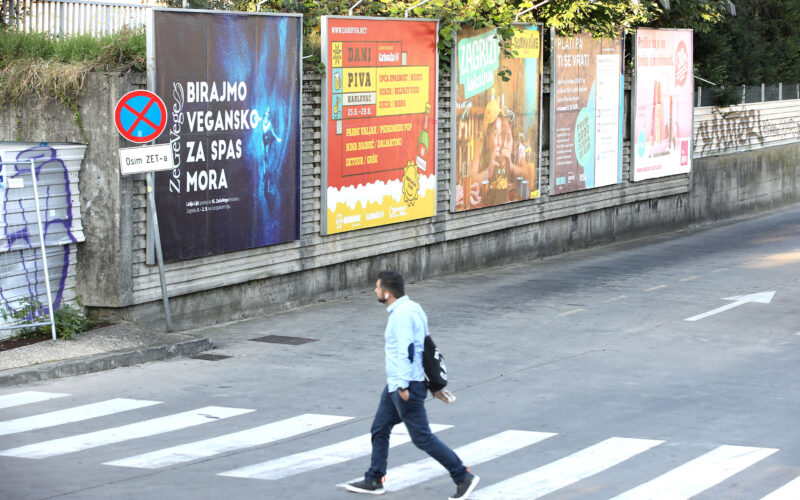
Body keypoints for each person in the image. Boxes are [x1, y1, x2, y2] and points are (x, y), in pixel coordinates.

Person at [345, 270, 479, 499]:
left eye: (377, 288)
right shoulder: (413, 308)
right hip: (397, 384)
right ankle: (374, 478)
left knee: (422, 437)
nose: (375, 291)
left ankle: (462, 476)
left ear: (387, 293)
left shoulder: (402, 316)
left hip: (405, 385)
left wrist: (403, 387)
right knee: (379, 428)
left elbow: (408, 351)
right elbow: (425, 346)